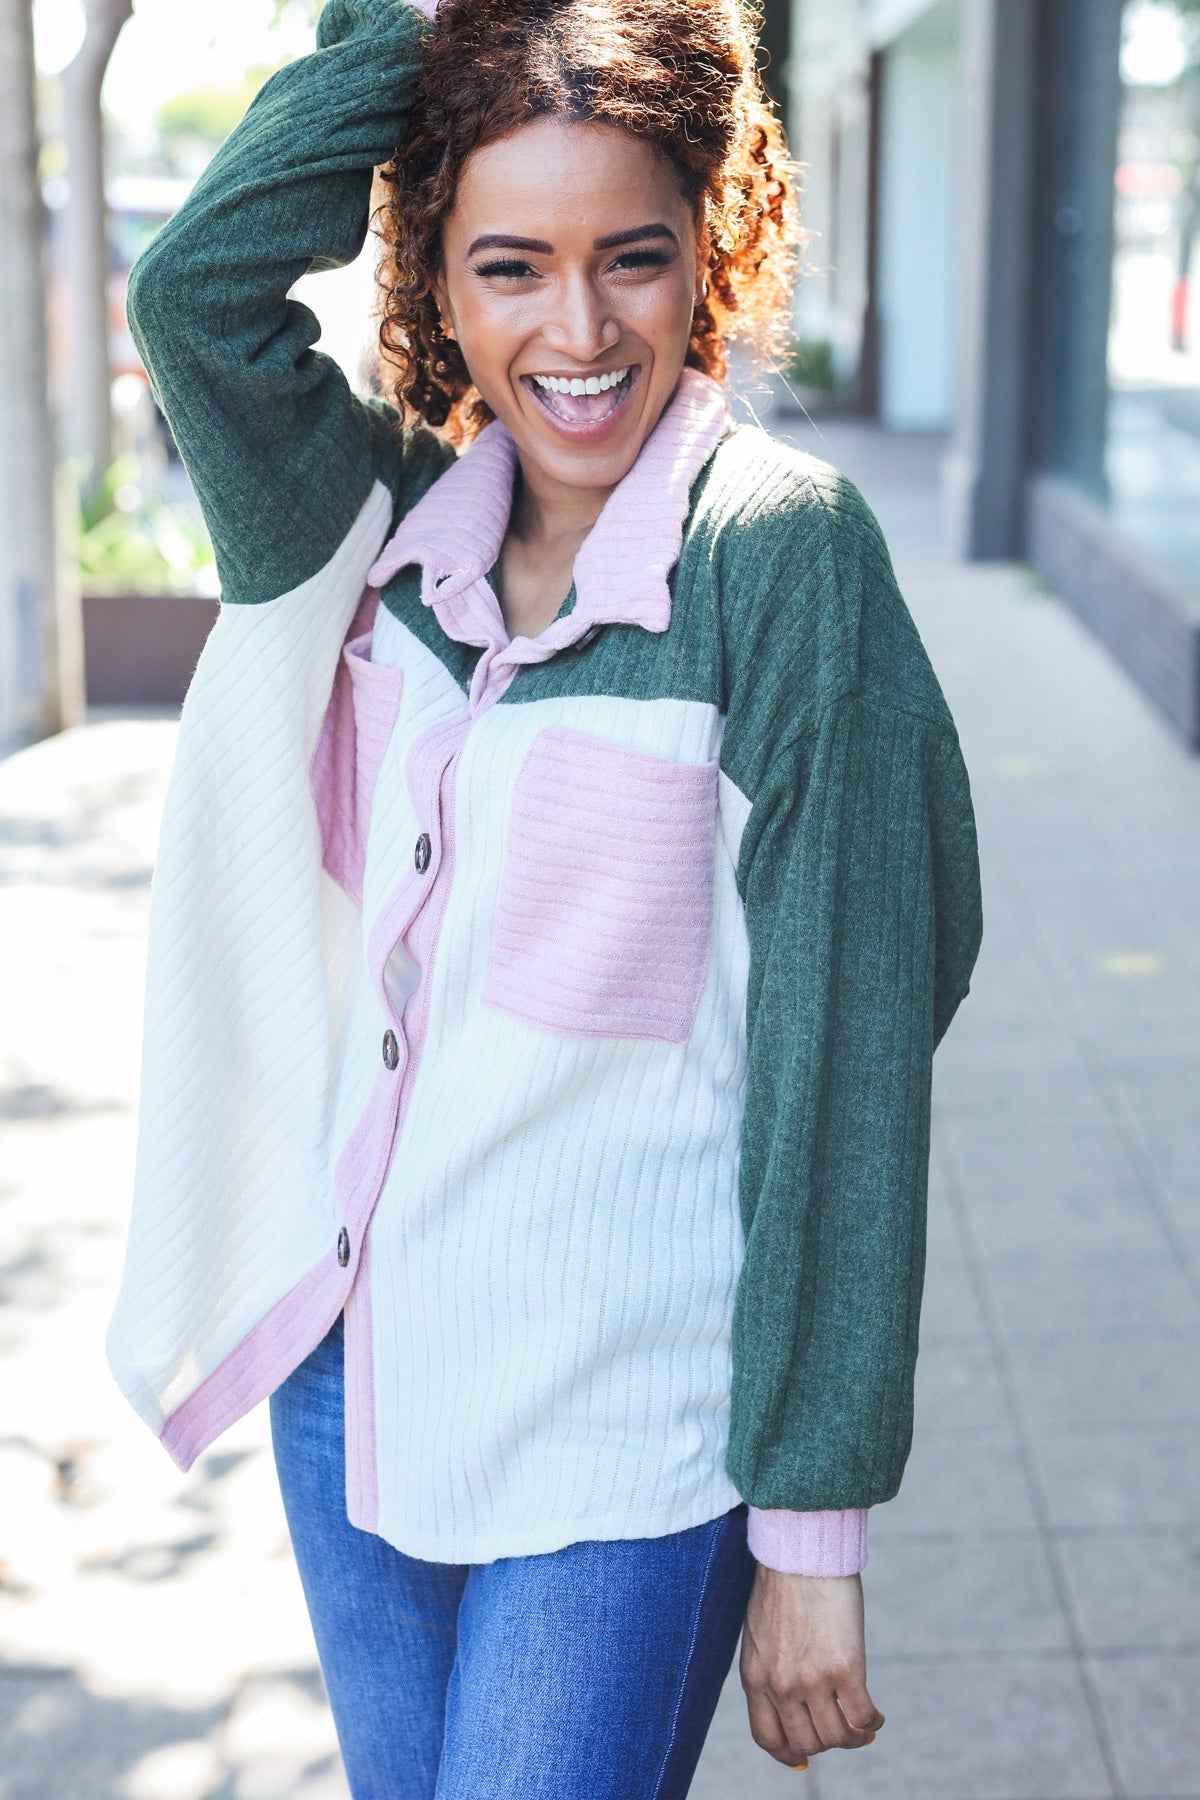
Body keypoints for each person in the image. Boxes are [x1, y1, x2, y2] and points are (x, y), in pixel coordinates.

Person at [105, 0, 983, 1793]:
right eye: (509, 267)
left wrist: (811, 1523)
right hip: (356, 1393)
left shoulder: (778, 554)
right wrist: (408, 40)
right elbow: (193, 296)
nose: (577, 332)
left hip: (624, 1440)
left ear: (710, 254)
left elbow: (853, 1043)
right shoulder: (378, 525)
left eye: (632, 262)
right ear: (437, 278)